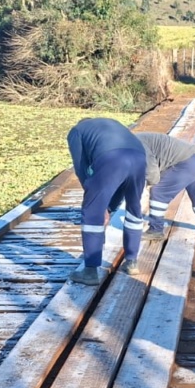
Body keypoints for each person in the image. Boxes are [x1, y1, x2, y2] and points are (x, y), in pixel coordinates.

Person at [65, 118, 148, 285]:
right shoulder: (111, 123)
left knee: (91, 213)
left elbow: (81, 168)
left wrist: (97, 203)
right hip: (140, 157)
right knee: (134, 208)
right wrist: (109, 207)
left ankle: (90, 272)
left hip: (112, 157)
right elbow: (119, 184)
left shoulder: (76, 131)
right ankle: (132, 262)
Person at [136, 132, 195, 240]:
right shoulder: (139, 138)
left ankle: (156, 230)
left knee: (158, 191)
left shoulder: (135, 143)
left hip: (187, 162)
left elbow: (151, 169)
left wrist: (150, 184)